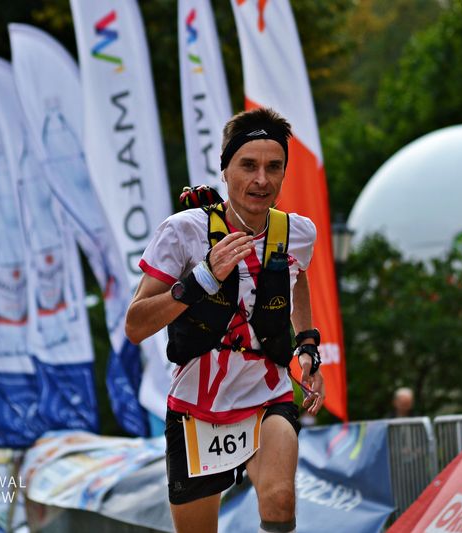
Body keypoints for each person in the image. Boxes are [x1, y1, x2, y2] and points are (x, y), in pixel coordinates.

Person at [126, 107, 325, 533]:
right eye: (248, 165)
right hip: (197, 407)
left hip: (266, 394)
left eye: (274, 167)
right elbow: (135, 325)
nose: (262, 180)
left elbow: (297, 278)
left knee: (280, 499)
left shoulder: (298, 233)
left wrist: (308, 345)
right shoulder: (183, 231)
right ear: (225, 169)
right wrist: (201, 278)